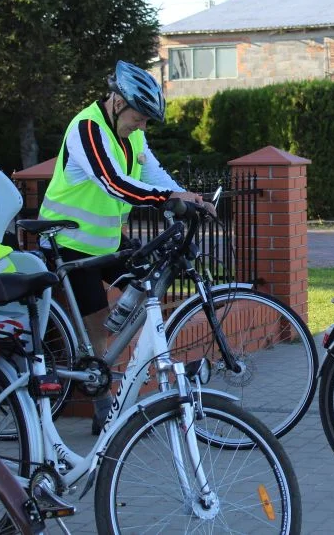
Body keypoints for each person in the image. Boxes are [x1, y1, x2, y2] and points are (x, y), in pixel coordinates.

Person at [38, 60, 208, 431]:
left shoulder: (131, 133)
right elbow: (114, 183)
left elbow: (151, 172)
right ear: (118, 102)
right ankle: (103, 407)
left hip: (106, 240)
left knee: (150, 280)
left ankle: (117, 365)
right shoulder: (87, 128)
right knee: (97, 321)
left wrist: (186, 196)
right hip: (70, 242)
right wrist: (169, 197)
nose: (143, 126)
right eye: (140, 117)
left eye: (148, 120)